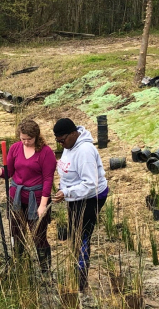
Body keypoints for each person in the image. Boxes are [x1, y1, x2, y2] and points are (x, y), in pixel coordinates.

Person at [0, 119, 56, 274]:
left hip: (36, 200)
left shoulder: (46, 153)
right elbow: (7, 172)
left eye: (28, 140)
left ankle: (45, 270)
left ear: (36, 137)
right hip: (16, 198)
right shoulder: (16, 148)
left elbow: (48, 181)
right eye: (22, 138)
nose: (25, 142)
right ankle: (20, 265)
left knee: (38, 235)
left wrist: (43, 205)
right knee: (16, 233)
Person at [52, 118, 108, 292]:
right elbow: (68, 171)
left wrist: (67, 192)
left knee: (82, 235)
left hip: (91, 197)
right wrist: (63, 188)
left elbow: (90, 183)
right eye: (58, 141)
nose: (61, 144)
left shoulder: (84, 151)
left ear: (74, 133)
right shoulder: (69, 146)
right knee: (75, 232)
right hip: (75, 197)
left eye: (62, 140)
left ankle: (80, 281)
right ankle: (76, 269)